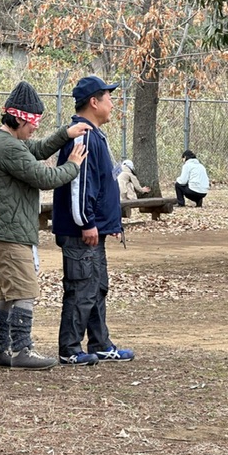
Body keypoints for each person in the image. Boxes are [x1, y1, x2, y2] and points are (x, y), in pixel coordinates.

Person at [0, 81, 90, 370]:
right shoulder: (7, 147)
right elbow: (44, 177)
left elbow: (37, 149)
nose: (34, 129)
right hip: (7, 234)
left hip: (1, 231)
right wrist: (73, 165)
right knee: (25, 291)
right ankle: (22, 351)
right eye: (32, 123)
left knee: (7, 294)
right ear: (17, 119)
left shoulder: (2, 139)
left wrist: (65, 134)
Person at [52, 75, 135, 366]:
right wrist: (86, 222)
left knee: (97, 287)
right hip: (81, 233)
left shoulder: (95, 135)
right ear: (94, 102)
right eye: (108, 98)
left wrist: (109, 224)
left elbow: (101, 184)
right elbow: (80, 184)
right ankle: (70, 349)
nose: (112, 103)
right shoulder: (83, 136)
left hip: (95, 231)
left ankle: (100, 344)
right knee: (81, 289)